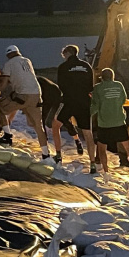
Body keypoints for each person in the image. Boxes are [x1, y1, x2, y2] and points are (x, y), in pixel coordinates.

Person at [0, 45, 49, 157]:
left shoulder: (9, 64)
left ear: (8, 55)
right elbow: (20, 77)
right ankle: (46, 154)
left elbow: (2, 87)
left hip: (22, 95)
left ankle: (7, 136)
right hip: (36, 95)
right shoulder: (27, 61)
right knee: (37, 126)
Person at [90, 68, 129, 180]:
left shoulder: (98, 88)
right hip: (119, 122)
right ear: (113, 76)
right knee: (128, 145)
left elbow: (95, 106)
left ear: (101, 78)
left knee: (102, 148)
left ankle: (106, 172)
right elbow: (124, 100)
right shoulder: (119, 85)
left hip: (104, 124)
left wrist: (87, 114)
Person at [53, 45, 96, 173]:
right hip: (84, 102)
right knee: (88, 133)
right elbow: (90, 86)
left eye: (63, 54)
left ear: (67, 53)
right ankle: (92, 163)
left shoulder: (63, 67)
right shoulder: (87, 66)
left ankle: (59, 155)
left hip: (69, 101)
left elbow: (61, 85)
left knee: (55, 125)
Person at [37, 75, 84, 155]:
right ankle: (77, 141)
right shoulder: (39, 79)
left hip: (52, 97)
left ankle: (46, 147)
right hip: (57, 96)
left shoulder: (34, 81)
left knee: (42, 120)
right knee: (64, 120)